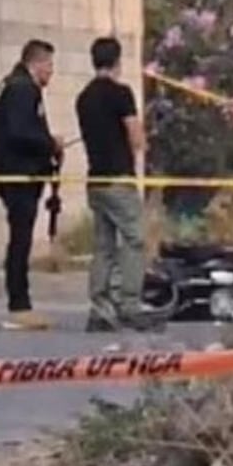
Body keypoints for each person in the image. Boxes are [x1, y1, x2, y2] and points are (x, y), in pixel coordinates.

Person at [75, 36, 164, 332]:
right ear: (117, 61)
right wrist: (142, 143)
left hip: (96, 180)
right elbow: (135, 136)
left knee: (103, 245)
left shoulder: (83, 97)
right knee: (135, 239)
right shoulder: (121, 93)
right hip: (118, 179)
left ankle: (100, 308)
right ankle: (130, 304)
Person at [0, 39, 63, 330]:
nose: (51, 73)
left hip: (13, 171)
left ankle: (20, 302)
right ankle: (19, 305)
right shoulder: (22, 89)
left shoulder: (11, 86)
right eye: (50, 66)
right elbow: (20, 132)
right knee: (21, 239)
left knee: (21, 236)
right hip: (19, 173)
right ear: (38, 63)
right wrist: (49, 143)